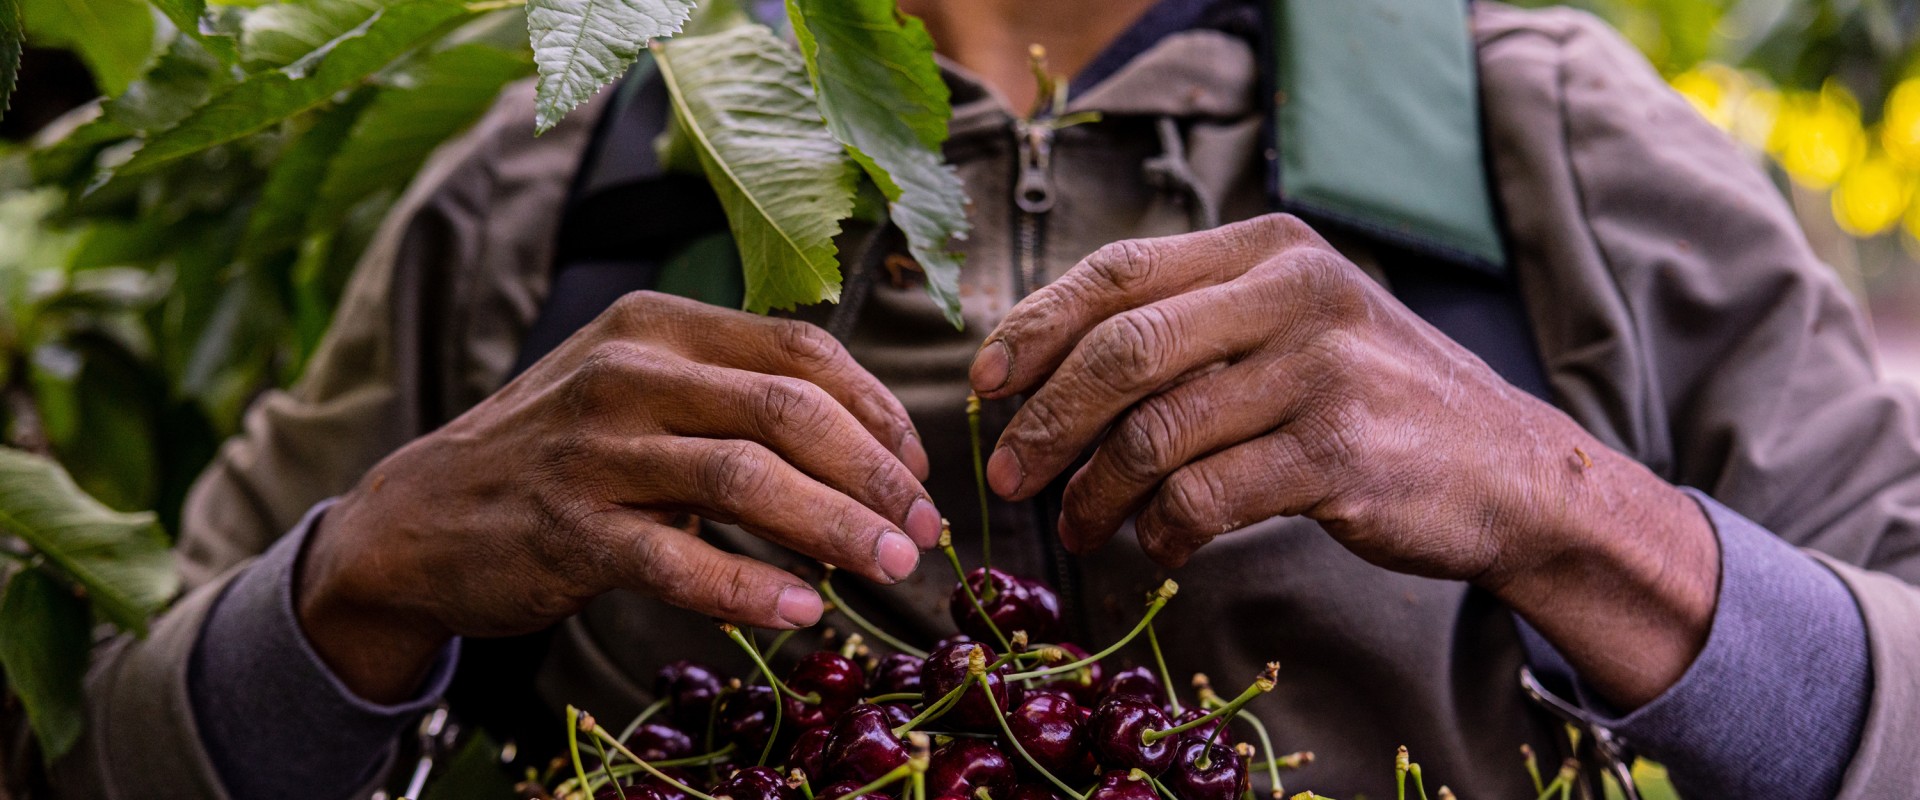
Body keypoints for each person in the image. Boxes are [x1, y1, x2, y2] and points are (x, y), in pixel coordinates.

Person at [28, 0, 1920, 798]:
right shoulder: (553, 195)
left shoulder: (1549, 144)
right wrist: (359, 582)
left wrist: (1581, 508)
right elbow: (100, 752)